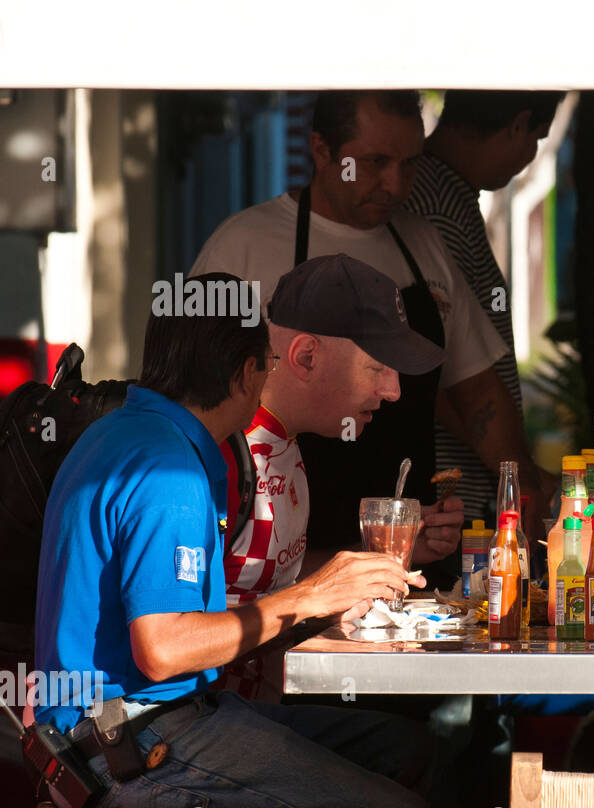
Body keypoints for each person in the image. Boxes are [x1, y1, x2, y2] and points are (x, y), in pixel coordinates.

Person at [32, 275, 438, 808]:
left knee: (402, 747)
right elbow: (164, 648)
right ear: (248, 372)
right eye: (266, 365)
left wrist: (316, 602)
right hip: (132, 746)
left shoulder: (125, 433)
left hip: (147, 720)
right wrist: (308, 595)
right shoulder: (169, 469)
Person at [190, 90, 555, 560]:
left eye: (409, 164)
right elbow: (195, 398)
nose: (395, 184)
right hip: (270, 542)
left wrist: (520, 483)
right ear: (321, 150)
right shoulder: (243, 247)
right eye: (376, 162)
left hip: (407, 552)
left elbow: (477, 390)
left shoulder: (424, 246)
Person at [222, 254, 461, 606]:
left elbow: (271, 578)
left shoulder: (284, 436)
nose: (394, 392)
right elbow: (172, 637)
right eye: (377, 367)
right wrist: (315, 595)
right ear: (306, 357)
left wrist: (381, 553)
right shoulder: (221, 451)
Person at [405, 90, 564, 525]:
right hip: (451, 494)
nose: (529, 157)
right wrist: (516, 475)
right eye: (536, 139)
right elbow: (444, 372)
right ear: (518, 124)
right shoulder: (435, 207)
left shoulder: (445, 195)